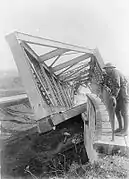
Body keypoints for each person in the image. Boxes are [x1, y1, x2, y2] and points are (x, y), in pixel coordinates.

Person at [102, 63, 129, 136]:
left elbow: (117, 86)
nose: (106, 71)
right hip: (118, 96)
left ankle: (125, 131)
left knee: (124, 113)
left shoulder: (115, 73)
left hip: (123, 95)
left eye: (106, 69)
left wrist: (113, 96)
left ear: (111, 68)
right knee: (117, 111)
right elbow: (108, 84)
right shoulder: (110, 74)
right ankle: (120, 128)